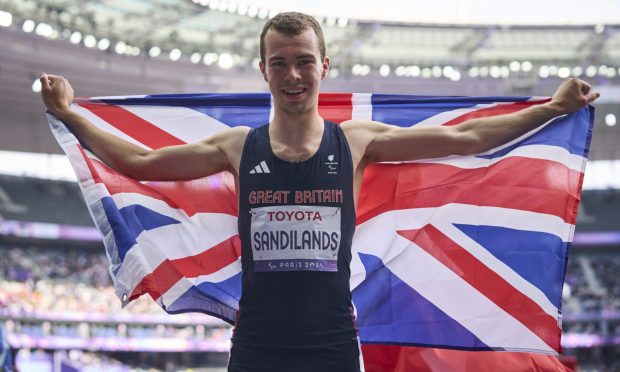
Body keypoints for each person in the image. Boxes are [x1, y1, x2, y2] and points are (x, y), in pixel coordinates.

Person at [40, 11, 599, 372]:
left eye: (304, 61)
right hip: (257, 346)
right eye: (279, 63)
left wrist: (554, 108)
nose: (293, 75)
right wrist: (69, 114)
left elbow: (465, 137)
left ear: (324, 65)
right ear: (263, 69)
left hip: (332, 346)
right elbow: (139, 161)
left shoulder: (353, 144)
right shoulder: (238, 148)